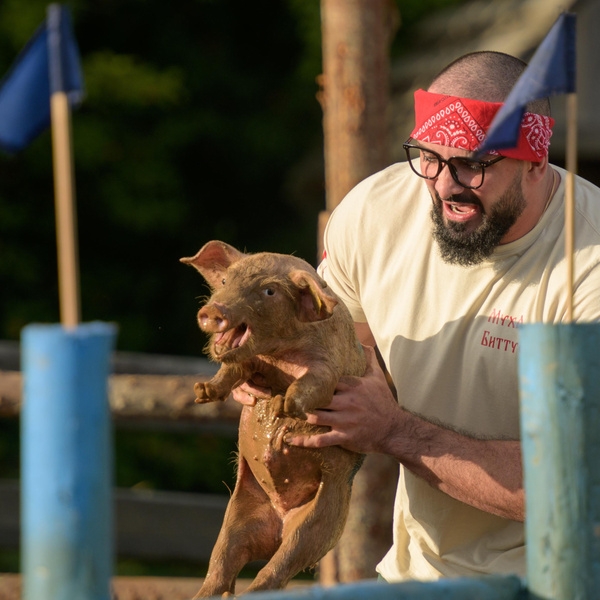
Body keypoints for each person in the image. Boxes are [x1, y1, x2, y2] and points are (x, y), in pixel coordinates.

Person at [233, 51, 600, 582]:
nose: (445, 186)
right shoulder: (376, 212)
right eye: (428, 157)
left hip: (566, 578)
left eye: (472, 165)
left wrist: (393, 430)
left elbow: (571, 482)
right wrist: (274, 368)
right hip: (417, 574)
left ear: (536, 160)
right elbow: (342, 357)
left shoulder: (588, 261)